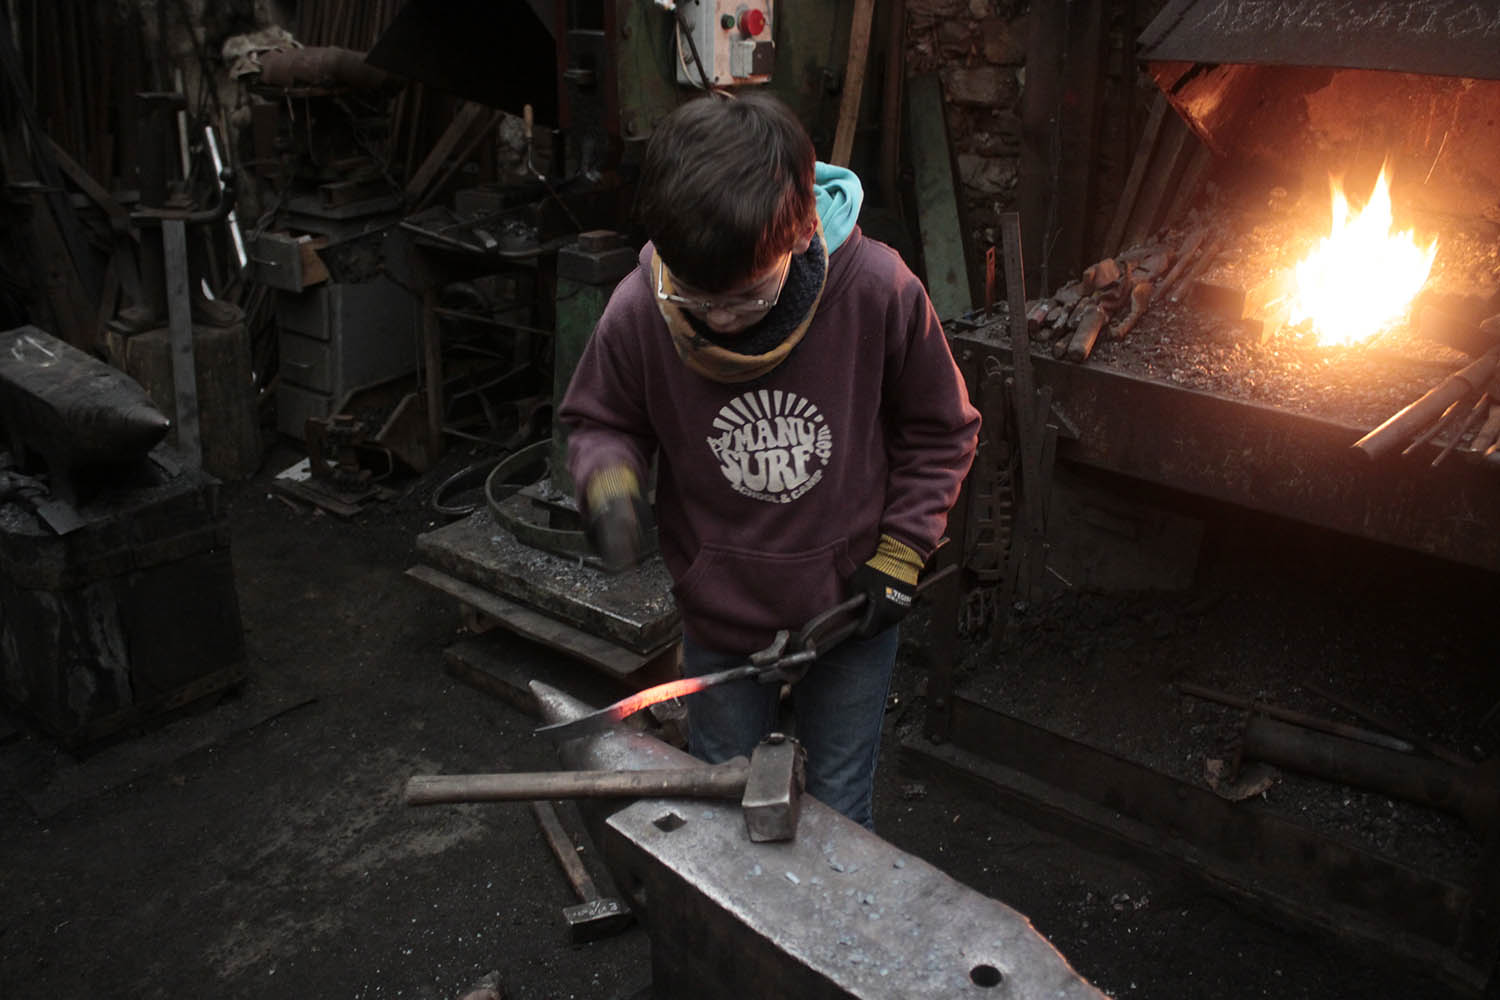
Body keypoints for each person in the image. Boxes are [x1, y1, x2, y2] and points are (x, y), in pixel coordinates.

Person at [558, 92, 979, 830]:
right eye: (698, 299)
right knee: (723, 805)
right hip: (721, 616)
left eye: (746, 298)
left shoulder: (876, 290)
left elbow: (940, 429)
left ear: (804, 228)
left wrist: (902, 553)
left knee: (838, 811)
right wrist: (610, 481)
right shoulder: (640, 309)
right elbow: (602, 419)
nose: (720, 319)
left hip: (850, 611)